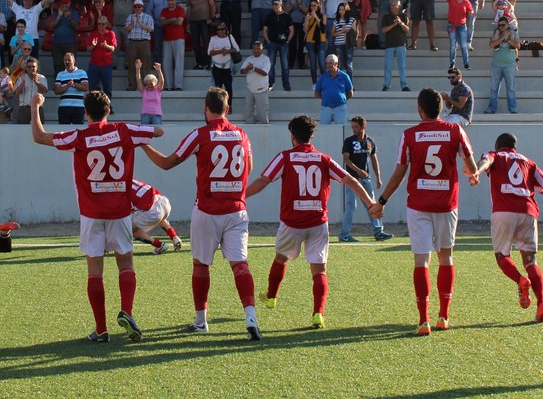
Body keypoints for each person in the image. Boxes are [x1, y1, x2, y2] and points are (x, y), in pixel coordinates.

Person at [30, 89, 161, 342]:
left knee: (95, 272)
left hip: (91, 213)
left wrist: (35, 106)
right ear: (108, 111)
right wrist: (135, 135)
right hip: (120, 212)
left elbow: (39, 136)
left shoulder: (79, 137)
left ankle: (101, 330)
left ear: (86, 113)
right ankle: (127, 311)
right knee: (126, 265)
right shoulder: (124, 131)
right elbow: (158, 131)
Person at [143, 88, 261, 340]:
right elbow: (249, 167)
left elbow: (167, 163)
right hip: (237, 210)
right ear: (227, 109)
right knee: (240, 265)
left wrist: (143, 145)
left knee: (201, 264)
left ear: (206, 109)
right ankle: (251, 317)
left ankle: (201, 321)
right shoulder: (242, 134)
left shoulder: (200, 134)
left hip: (208, 210)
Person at [247, 115, 381, 329]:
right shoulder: (323, 159)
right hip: (318, 222)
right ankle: (318, 313)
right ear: (312, 136)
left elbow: (264, 180)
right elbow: (351, 180)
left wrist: (240, 195)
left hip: (292, 222)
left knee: (280, 258)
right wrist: (371, 203)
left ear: (292, 137)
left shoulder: (285, 157)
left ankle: (271, 297)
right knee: (319, 270)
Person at [375, 88, 479, 335]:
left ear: (420, 109)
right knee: (446, 257)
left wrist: (382, 201)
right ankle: (444, 316)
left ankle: (423, 320)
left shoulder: (409, 135)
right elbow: (471, 166)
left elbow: (399, 174)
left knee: (421, 260)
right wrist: (471, 173)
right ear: (441, 108)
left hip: (419, 205)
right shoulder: (456, 131)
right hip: (446, 204)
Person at [476, 133, 543, 323]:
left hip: (503, 211)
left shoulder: (495, 155)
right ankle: (542, 306)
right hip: (528, 212)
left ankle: (520, 280)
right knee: (531, 261)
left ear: (498, 146)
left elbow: (486, 162)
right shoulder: (529, 163)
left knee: (502, 256)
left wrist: (477, 172)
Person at [341, 116, 392, 243]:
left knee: (373, 205)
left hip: (365, 179)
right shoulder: (349, 141)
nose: (354, 129)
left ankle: (378, 232)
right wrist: (358, 170)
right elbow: (346, 159)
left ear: (363, 126)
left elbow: (374, 160)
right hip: (352, 179)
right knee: (351, 206)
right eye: (352, 127)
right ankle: (344, 235)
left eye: (356, 127)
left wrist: (378, 177)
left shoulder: (370, 141)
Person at [130, 178, 182, 254]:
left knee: (129, 229)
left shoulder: (120, 190)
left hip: (153, 213)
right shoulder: (130, 180)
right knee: (157, 212)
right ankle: (174, 237)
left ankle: (159, 245)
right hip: (164, 202)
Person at [485, 16, 520, 114]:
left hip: (509, 65)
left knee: (511, 88)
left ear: (507, 25)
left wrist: (508, 39)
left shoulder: (513, 33)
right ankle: (491, 108)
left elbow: (518, 45)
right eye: (499, 25)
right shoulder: (495, 33)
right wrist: (502, 38)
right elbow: (491, 45)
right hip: (496, 65)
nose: (501, 27)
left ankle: (512, 108)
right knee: (494, 88)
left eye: (503, 25)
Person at [442, 0, 473, 70]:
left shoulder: (466, 2)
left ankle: (466, 63)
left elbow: (470, 10)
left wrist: (470, 12)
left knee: (463, 45)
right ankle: (452, 63)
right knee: (453, 46)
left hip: (462, 26)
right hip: (452, 25)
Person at [263, 0, 293, 91]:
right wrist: (268, 41)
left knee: (285, 65)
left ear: (281, 5)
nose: (275, 6)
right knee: (271, 65)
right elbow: (264, 30)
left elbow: (292, 30)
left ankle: (286, 85)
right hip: (272, 43)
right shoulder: (269, 16)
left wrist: (288, 41)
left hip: (283, 44)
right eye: (273, 4)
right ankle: (270, 84)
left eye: (277, 4)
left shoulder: (287, 16)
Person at [313, 54, 352, 125]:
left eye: (330, 63)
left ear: (336, 63)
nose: (328, 65)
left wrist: (341, 99)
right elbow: (316, 93)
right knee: (324, 130)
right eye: (327, 63)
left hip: (340, 107)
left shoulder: (345, 76)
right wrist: (326, 98)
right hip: (325, 108)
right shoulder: (322, 77)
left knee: (342, 129)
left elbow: (350, 93)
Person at [124, 0, 154, 91]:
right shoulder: (130, 17)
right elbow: (127, 29)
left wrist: (140, 23)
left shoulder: (148, 17)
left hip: (144, 42)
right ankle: (132, 85)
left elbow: (151, 29)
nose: (137, 8)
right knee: (132, 64)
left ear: (142, 7)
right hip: (133, 42)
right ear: (133, 8)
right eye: (136, 6)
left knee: (146, 65)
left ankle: (146, 86)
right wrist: (133, 23)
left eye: (139, 6)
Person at [87, 15, 117, 99]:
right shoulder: (93, 34)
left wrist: (106, 46)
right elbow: (88, 49)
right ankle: (92, 106)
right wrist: (93, 45)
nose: (101, 26)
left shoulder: (111, 34)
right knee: (92, 89)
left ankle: (108, 106)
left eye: (103, 24)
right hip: (94, 65)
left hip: (106, 65)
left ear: (106, 24)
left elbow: (113, 48)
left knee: (107, 89)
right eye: (99, 24)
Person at [55, 52, 89, 125]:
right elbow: (57, 91)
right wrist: (67, 86)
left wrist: (74, 85)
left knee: (78, 130)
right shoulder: (60, 74)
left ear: (74, 60)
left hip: (78, 107)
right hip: (64, 107)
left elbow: (86, 88)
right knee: (63, 130)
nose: (67, 62)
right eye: (65, 60)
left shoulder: (82, 72)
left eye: (69, 60)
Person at [241, 40, 271, 125]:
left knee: (262, 112)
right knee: (248, 111)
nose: (256, 51)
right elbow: (242, 71)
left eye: (258, 49)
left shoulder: (266, 59)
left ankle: (265, 129)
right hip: (250, 88)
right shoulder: (249, 59)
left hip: (261, 89)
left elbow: (265, 73)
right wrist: (247, 68)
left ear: (262, 49)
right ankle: (249, 127)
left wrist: (253, 68)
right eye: (254, 49)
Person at [208, 22, 238, 105]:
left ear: (226, 30)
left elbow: (236, 49)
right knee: (218, 89)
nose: (220, 31)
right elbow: (209, 52)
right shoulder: (213, 38)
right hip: (216, 67)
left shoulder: (230, 37)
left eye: (222, 29)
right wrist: (220, 51)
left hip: (227, 68)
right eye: (218, 29)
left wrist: (227, 51)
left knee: (229, 87)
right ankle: (219, 106)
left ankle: (229, 105)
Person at [13, 55, 48, 124]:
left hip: (38, 108)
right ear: (26, 68)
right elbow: (17, 93)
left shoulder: (42, 78)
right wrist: (23, 82)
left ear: (37, 67)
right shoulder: (21, 78)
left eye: (33, 66)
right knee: (22, 128)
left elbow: (45, 91)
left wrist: (37, 82)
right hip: (24, 108)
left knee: (39, 129)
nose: (31, 68)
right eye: (29, 67)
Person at [135, 59, 165, 125]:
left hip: (156, 115)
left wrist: (159, 70)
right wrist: (138, 69)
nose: (149, 86)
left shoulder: (158, 90)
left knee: (157, 130)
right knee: (144, 131)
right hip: (145, 115)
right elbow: (138, 80)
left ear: (155, 83)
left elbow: (162, 81)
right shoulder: (144, 90)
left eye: (151, 84)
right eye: (147, 84)